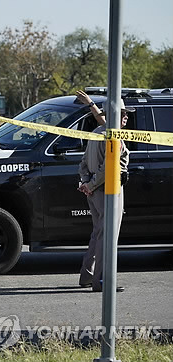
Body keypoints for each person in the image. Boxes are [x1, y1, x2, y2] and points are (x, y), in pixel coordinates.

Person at [77, 98, 133, 292]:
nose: (126, 116)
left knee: (98, 234)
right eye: (123, 113)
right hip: (107, 190)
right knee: (108, 237)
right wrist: (90, 184)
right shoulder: (112, 137)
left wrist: (85, 183)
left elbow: (83, 163)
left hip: (94, 191)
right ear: (114, 115)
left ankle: (88, 275)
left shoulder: (97, 133)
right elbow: (108, 168)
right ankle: (101, 281)